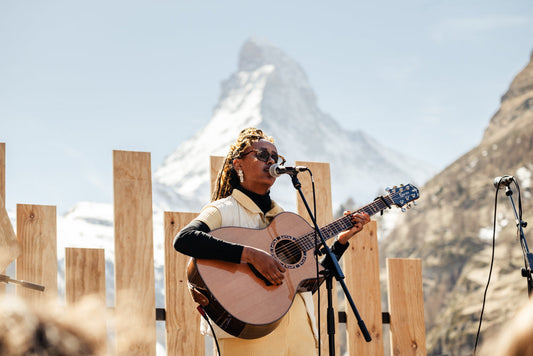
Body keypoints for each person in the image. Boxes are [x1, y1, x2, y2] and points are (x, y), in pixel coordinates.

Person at [174, 127, 370, 355]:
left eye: (275, 157)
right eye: (262, 155)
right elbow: (185, 239)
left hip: (299, 332)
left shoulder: (284, 220)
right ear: (238, 164)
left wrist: (341, 242)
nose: (271, 161)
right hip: (248, 334)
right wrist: (250, 255)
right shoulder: (222, 210)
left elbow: (307, 281)